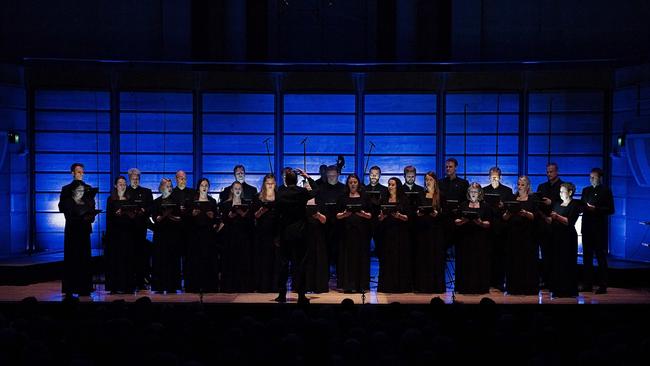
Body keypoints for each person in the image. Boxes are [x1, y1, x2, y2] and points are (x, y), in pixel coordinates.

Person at [275, 167, 319, 303]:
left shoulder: (280, 193)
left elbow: (277, 215)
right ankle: (301, 295)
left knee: (283, 265)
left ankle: (282, 295)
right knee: (300, 264)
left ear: (286, 182)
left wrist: (276, 235)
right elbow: (316, 190)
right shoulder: (302, 192)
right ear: (297, 180)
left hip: (285, 233)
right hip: (300, 232)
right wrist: (308, 177)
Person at [58, 163, 96, 296]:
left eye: (82, 172)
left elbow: (92, 205)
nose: (81, 174)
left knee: (84, 258)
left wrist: (90, 215)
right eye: (78, 172)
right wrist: (76, 210)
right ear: (72, 173)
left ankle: (84, 287)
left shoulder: (88, 188)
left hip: (84, 227)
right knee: (71, 257)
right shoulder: (66, 189)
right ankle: (70, 287)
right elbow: (62, 207)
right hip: (72, 227)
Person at [335, 174, 372, 293]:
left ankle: (361, 285)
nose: (353, 184)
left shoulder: (365, 197)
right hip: (346, 233)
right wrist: (345, 214)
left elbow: (371, 215)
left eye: (355, 182)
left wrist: (363, 214)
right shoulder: (342, 197)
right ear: (348, 184)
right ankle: (348, 285)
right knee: (347, 259)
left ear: (358, 183)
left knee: (361, 258)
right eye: (350, 182)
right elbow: (337, 215)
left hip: (361, 234)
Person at [503, 176, 539, 295]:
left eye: (522, 184)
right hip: (513, 235)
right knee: (514, 261)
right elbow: (504, 217)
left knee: (528, 262)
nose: (520, 187)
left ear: (528, 186)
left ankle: (528, 288)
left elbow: (536, 217)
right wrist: (508, 213)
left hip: (528, 235)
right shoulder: (512, 198)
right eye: (518, 184)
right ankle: (514, 288)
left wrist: (525, 213)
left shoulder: (533, 199)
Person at [581, 168, 615, 294]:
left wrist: (596, 209)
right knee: (587, 257)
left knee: (600, 256)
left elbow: (611, 209)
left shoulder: (606, 191)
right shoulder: (586, 190)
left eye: (593, 177)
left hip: (599, 228)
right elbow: (582, 205)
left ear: (599, 178)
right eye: (590, 177)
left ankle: (603, 284)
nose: (591, 179)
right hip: (587, 227)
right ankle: (587, 284)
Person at [454, 183, 492, 294]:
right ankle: (464, 287)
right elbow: (456, 220)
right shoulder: (463, 205)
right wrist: (462, 221)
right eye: (471, 192)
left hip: (480, 240)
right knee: (465, 263)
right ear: (468, 193)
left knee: (479, 263)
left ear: (480, 193)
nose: (473, 194)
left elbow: (488, 223)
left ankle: (480, 287)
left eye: (475, 192)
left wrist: (480, 223)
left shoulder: (485, 206)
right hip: (465, 239)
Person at [377, 177, 412, 293]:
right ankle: (387, 286)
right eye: (389, 184)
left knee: (400, 259)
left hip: (401, 234)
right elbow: (379, 217)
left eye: (392, 185)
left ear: (397, 186)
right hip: (387, 234)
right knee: (387, 259)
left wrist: (399, 216)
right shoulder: (384, 199)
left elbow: (408, 218)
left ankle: (401, 286)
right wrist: (382, 217)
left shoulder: (404, 199)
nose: (390, 187)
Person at [185, 178, 221, 293]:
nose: (204, 187)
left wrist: (212, 216)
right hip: (195, 235)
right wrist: (192, 214)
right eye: (202, 185)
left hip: (208, 235)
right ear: (198, 187)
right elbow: (186, 219)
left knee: (208, 260)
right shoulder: (192, 201)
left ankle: (209, 286)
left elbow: (217, 218)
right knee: (195, 260)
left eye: (206, 185)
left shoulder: (212, 201)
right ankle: (194, 286)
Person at [414, 172, 447, 293]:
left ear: (435, 181)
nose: (428, 182)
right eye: (426, 180)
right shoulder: (420, 194)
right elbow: (416, 210)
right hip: (423, 231)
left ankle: (436, 286)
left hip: (436, 231)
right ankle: (422, 286)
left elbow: (446, 214)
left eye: (430, 180)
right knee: (423, 258)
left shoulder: (440, 195)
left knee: (435, 258)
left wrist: (437, 214)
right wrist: (418, 213)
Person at [220, 181, 255, 292]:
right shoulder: (225, 204)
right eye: (235, 188)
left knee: (243, 262)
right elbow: (223, 221)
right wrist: (230, 216)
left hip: (243, 236)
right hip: (230, 237)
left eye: (239, 188)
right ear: (231, 190)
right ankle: (229, 287)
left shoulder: (247, 204)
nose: (238, 190)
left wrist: (242, 214)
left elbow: (250, 222)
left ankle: (244, 286)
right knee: (230, 262)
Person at [483, 166, 514, 291]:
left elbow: (511, 208)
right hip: (488, 226)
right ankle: (488, 281)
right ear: (489, 177)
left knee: (501, 256)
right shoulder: (484, 190)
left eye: (496, 177)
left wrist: (503, 205)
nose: (494, 179)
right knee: (488, 254)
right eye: (492, 177)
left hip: (502, 227)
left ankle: (499, 282)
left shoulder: (507, 191)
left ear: (500, 177)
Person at [549, 182, 581, 297]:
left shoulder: (574, 205)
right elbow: (552, 219)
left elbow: (569, 221)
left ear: (570, 192)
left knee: (568, 263)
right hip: (557, 237)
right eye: (560, 191)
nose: (560, 193)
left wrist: (557, 217)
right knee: (557, 263)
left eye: (563, 191)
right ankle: (557, 289)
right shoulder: (558, 204)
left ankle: (568, 290)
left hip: (568, 237)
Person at [105, 176, 136, 294]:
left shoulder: (130, 199)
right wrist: (116, 214)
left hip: (128, 233)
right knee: (116, 260)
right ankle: (115, 286)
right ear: (115, 186)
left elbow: (134, 216)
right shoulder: (111, 199)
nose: (122, 185)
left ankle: (127, 286)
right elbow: (109, 218)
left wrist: (130, 214)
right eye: (120, 183)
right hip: (115, 234)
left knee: (127, 260)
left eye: (124, 184)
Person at [150, 178, 182, 293]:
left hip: (173, 235)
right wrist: (165, 216)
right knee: (159, 260)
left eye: (170, 186)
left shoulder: (176, 201)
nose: (169, 188)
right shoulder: (156, 202)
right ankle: (159, 286)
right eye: (166, 186)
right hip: (160, 235)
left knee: (172, 260)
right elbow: (155, 219)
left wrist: (168, 216)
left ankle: (172, 286)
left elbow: (180, 218)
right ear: (161, 188)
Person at [535, 162, 564, 288]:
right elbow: (537, 204)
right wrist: (544, 217)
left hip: (557, 224)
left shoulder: (563, 186)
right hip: (543, 224)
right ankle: (545, 279)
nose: (549, 174)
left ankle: (555, 280)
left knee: (556, 254)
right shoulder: (542, 186)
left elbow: (565, 203)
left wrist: (551, 202)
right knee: (545, 254)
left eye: (551, 171)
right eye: (547, 172)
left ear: (556, 171)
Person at [125, 167, 153, 290]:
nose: (135, 180)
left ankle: (141, 281)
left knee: (141, 256)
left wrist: (144, 210)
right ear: (129, 179)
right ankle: (129, 282)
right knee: (129, 255)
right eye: (133, 178)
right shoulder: (125, 191)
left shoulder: (147, 192)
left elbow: (151, 208)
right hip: (128, 228)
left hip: (141, 228)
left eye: (137, 178)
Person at [252, 174, 280, 293]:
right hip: (262, 233)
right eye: (268, 183)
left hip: (276, 232)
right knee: (263, 260)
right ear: (264, 184)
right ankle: (262, 286)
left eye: (272, 183)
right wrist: (261, 211)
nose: (270, 185)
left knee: (275, 260)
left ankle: (275, 287)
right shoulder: (258, 197)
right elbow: (254, 216)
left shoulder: (279, 197)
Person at [317, 165, 346, 276]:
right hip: (325, 225)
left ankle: (341, 276)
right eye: (329, 175)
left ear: (338, 175)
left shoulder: (343, 188)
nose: (331, 177)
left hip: (340, 224)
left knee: (340, 251)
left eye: (333, 175)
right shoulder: (321, 189)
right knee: (325, 251)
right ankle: (325, 276)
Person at [303, 190, 329, 293]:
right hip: (305, 234)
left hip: (319, 234)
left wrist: (318, 215)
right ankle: (306, 286)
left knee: (319, 260)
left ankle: (319, 286)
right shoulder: (301, 201)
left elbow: (325, 220)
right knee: (306, 260)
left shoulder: (321, 201)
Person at [364, 166, 389, 260]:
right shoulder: (363, 189)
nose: (374, 176)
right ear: (369, 175)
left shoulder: (385, 190)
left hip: (380, 223)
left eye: (376, 174)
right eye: (372, 174)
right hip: (366, 223)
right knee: (364, 250)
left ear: (380, 175)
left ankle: (383, 274)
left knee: (382, 251)